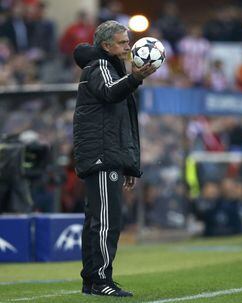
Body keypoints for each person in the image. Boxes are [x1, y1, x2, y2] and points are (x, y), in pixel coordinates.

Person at [72, 20, 156, 297]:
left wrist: (129, 164)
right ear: (106, 46)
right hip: (101, 156)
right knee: (106, 220)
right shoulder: (99, 67)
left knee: (96, 219)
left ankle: (92, 280)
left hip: (107, 155)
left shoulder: (109, 68)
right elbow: (110, 93)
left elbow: (121, 123)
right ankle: (101, 280)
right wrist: (136, 77)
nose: (128, 45)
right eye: (122, 42)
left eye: (127, 40)